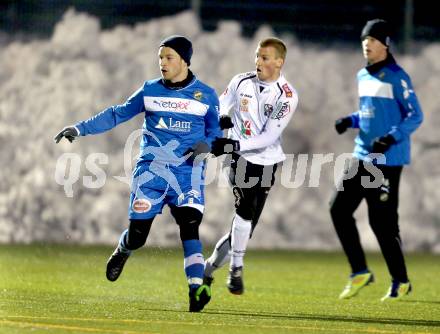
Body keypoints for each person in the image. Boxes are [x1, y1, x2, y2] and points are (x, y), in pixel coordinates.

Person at [54, 35, 222, 312]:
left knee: (190, 226)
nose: (162, 63)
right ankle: (124, 249)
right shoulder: (150, 90)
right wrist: (79, 128)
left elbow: (216, 134)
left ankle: (196, 288)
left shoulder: (206, 95)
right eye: (160, 58)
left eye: (169, 58)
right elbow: (117, 113)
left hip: (187, 174)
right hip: (151, 174)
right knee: (138, 236)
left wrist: (207, 145)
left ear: (184, 60)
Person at [330, 19, 423, 301]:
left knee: (381, 223)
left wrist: (392, 137)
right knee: (338, 210)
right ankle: (359, 271)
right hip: (362, 155)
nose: (366, 45)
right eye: (364, 40)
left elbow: (415, 115)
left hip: (387, 159)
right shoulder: (363, 76)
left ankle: (401, 281)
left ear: (385, 44)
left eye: (372, 40)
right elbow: (371, 113)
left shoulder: (397, 76)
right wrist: (350, 120)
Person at [203, 37, 298, 295]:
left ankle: (208, 270)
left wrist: (233, 145)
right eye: (257, 55)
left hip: (267, 161)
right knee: (244, 211)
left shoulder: (287, 95)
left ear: (279, 62)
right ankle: (236, 270)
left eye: (265, 57)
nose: (258, 61)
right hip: (240, 160)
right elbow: (222, 101)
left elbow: (268, 136)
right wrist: (223, 115)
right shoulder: (241, 81)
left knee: (244, 231)